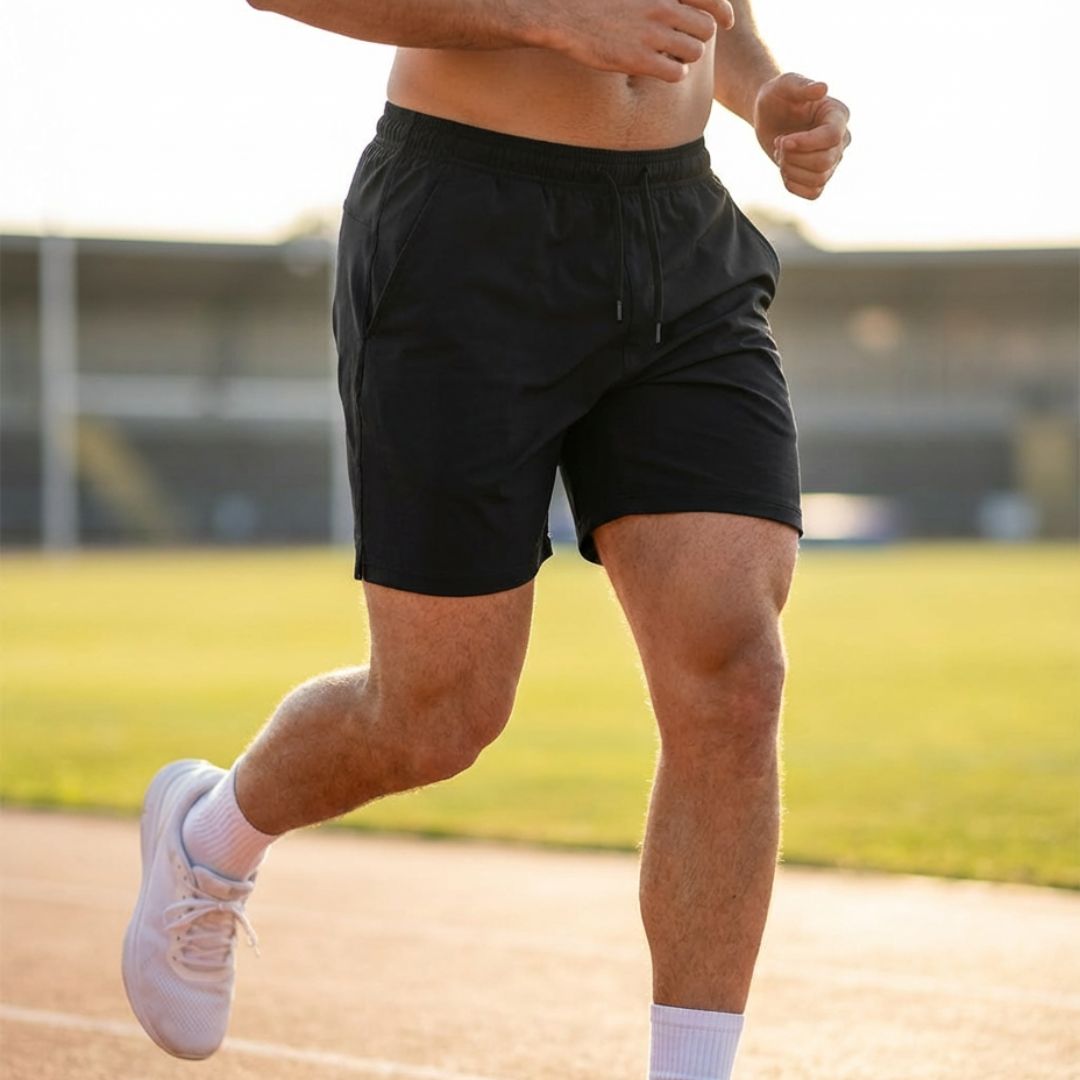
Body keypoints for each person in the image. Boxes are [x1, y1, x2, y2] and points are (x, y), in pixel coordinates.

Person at [121, 2, 850, 1076]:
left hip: (678, 231)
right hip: (466, 227)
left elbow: (708, 13)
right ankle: (210, 836)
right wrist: (549, 15)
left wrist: (764, 94)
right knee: (437, 714)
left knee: (735, 675)